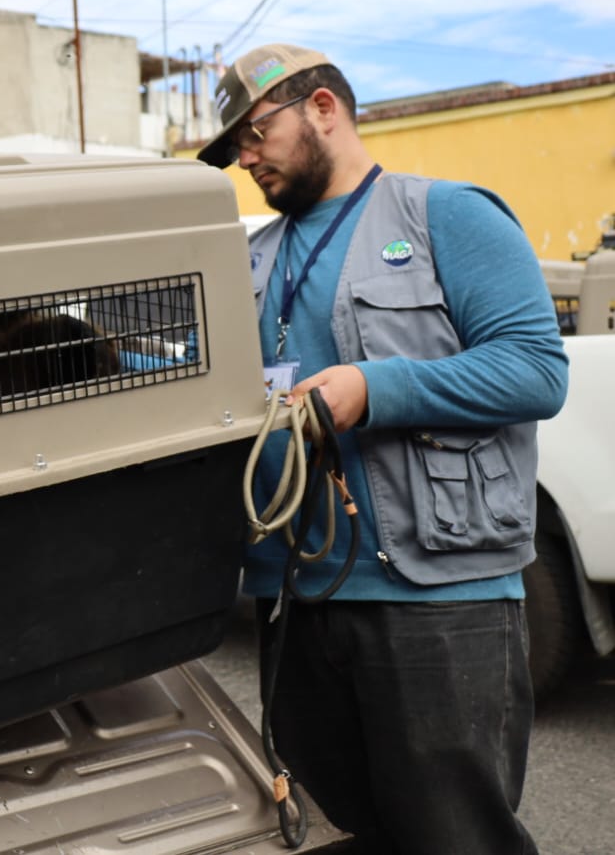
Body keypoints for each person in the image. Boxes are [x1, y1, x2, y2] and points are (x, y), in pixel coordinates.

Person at [198, 44, 568, 854]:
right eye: (233, 149)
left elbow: (535, 370)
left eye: (254, 134)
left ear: (322, 107)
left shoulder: (447, 216)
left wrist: (373, 389)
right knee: (334, 832)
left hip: (438, 597)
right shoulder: (250, 258)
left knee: (455, 836)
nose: (245, 158)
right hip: (297, 598)